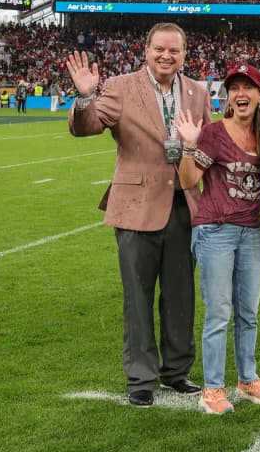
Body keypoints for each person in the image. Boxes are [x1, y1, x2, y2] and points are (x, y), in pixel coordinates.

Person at [66, 22, 212, 407]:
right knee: (138, 296)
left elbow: (209, 145)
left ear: (184, 53)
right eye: (159, 49)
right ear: (145, 50)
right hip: (135, 208)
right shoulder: (118, 87)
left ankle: (176, 371)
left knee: (181, 295)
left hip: (184, 204)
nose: (166, 56)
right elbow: (87, 127)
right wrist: (84, 99)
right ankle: (141, 379)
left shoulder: (197, 92)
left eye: (174, 51)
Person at [173, 62, 260, 415]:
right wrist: (189, 146)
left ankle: (247, 378)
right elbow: (188, 181)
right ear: (228, 95)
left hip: (251, 231)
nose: (241, 93)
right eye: (235, 88)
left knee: (248, 312)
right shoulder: (215, 133)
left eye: (248, 87)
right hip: (215, 229)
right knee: (219, 312)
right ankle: (213, 388)